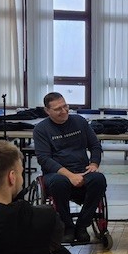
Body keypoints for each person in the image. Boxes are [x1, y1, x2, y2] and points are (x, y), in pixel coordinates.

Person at [34, 92, 107, 243]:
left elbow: (95, 145)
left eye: (65, 106)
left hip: (82, 169)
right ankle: (67, 226)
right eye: (58, 109)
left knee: (99, 179)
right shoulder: (41, 129)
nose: (64, 111)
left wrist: (94, 163)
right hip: (56, 174)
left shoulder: (79, 122)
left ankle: (82, 225)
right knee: (59, 182)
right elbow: (44, 159)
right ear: (47, 111)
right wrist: (70, 176)